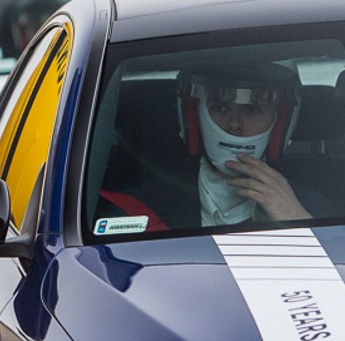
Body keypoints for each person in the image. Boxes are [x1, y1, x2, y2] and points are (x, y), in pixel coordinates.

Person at [98, 60, 316, 231]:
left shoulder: (314, 210)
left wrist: (296, 220)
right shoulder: (134, 212)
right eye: (221, 107)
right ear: (193, 116)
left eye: (253, 109)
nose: (235, 125)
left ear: (281, 122)